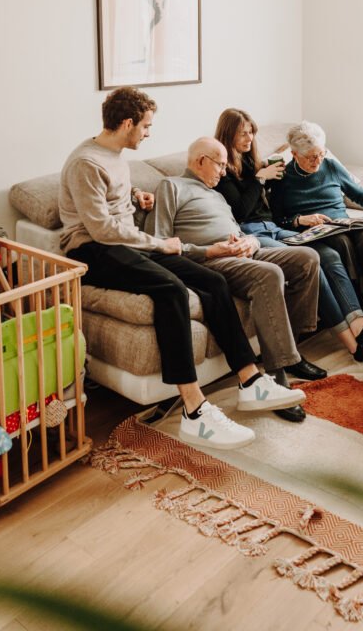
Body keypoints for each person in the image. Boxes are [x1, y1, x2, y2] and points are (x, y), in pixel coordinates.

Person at [59, 87, 305, 451]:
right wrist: (160, 243)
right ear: (127, 123)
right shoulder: (85, 162)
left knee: (213, 280)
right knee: (171, 289)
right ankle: (194, 410)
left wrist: (133, 198)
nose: (148, 132)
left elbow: (109, 201)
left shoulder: (115, 155)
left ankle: (250, 381)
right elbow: (100, 228)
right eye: (145, 126)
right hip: (93, 250)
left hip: (123, 244)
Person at [148, 136, 326, 424]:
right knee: (271, 275)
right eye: (220, 165)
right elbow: (160, 243)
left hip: (242, 253)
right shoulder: (172, 186)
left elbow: (240, 231)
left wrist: (251, 243)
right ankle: (279, 376)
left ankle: (292, 349)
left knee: (307, 258)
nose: (223, 171)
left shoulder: (216, 194)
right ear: (200, 161)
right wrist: (209, 250)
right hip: (213, 261)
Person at [214, 108, 363, 363]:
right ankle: (354, 346)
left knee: (329, 255)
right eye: (242, 134)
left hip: (273, 228)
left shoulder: (249, 161)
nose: (249, 138)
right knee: (314, 261)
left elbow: (271, 210)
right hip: (251, 232)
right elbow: (241, 212)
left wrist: (264, 169)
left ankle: (360, 326)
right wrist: (259, 180)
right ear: (227, 134)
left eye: (251, 132)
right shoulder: (222, 169)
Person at [269, 121, 363, 322]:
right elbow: (276, 218)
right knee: (341, 243)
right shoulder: (282, 178)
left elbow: (358, 193)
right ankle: (359, 303)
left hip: (342, 223)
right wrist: (300, 220)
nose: (317, 162)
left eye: (321, 154)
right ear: (294, 154)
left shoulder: (330, 166)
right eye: (310, 158)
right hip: (314, 231)